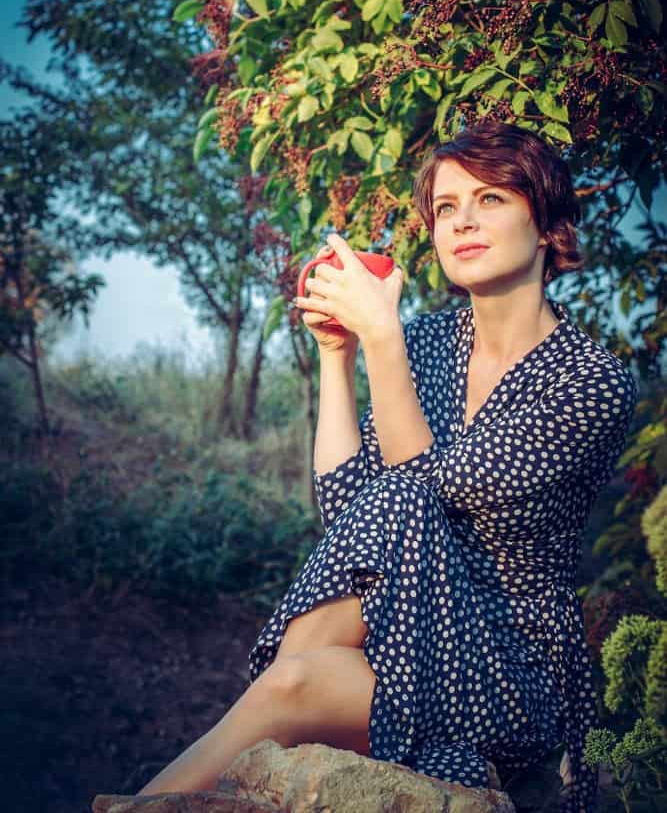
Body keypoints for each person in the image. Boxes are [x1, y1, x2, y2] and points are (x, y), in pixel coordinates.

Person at [137, 120, 638, 812]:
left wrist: (381, 341)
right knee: (296, 682)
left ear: (547, 221)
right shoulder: (427, 342)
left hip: (506, 669)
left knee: (390, 521)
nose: (461, 220)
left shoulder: (589, 382)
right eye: (444, 207)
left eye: (490, 198)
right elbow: (349, 514)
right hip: (398, 634)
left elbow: (432, 486)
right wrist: (338, 359)